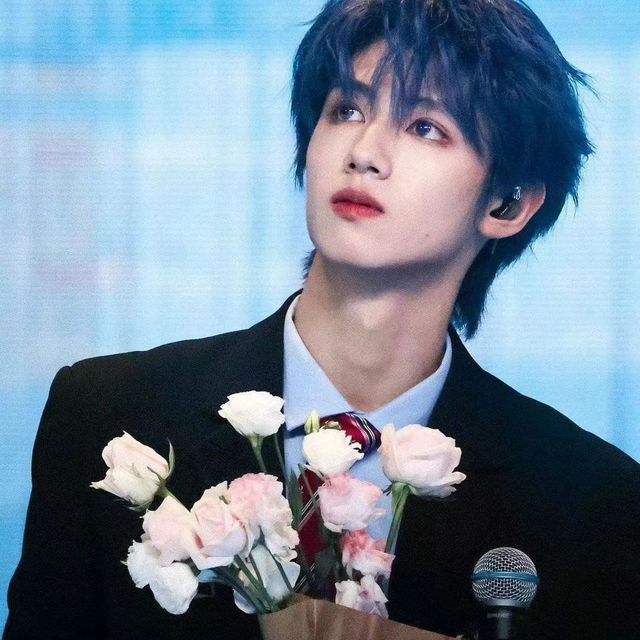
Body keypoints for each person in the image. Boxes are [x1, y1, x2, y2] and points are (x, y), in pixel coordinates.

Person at [4, 1, 640, 639]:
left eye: (425, 127)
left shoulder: (589, 501)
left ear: (507, 203)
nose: (364, 152)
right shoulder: (111, 418)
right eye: (347, 111)